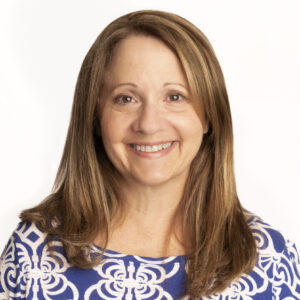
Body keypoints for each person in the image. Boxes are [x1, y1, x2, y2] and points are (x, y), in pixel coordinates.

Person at [0, 9, 299, 300]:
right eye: (126, 98)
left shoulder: (269, 260)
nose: (149, 123)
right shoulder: (33, 254)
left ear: (209, 115)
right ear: (94, 117)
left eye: (175, 97)